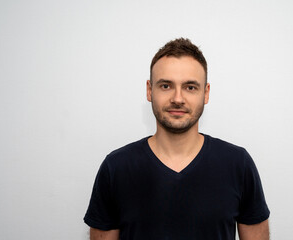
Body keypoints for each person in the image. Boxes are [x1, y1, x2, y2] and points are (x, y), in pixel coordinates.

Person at [84, 38, 270, 240]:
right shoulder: (116, 167)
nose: (178, 98)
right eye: (166, 86)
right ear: (149, 90)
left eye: (190, 87)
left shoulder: (238, 164)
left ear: (206, 93)